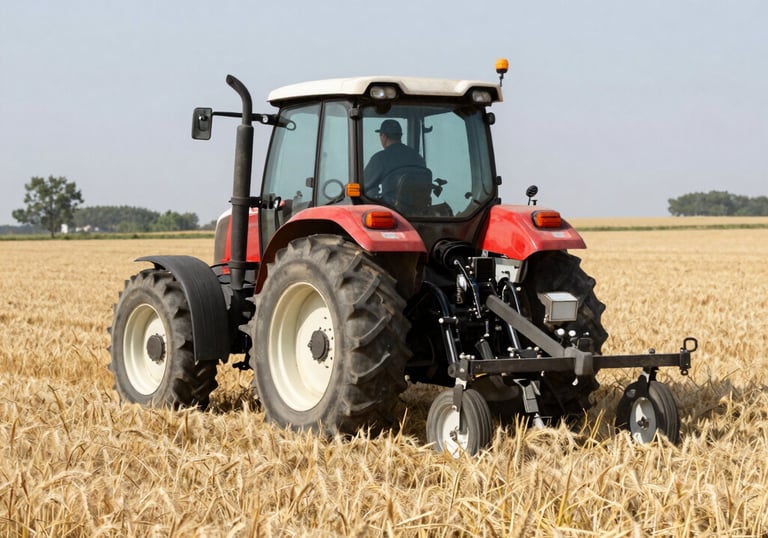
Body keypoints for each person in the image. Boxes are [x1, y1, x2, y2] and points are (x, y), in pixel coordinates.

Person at [363, 119, 427, 198]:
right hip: (418, 208)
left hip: (390, 208)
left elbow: (364, 186)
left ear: (383, 136)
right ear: (400, 136)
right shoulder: (417, 157)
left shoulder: (381, 158)